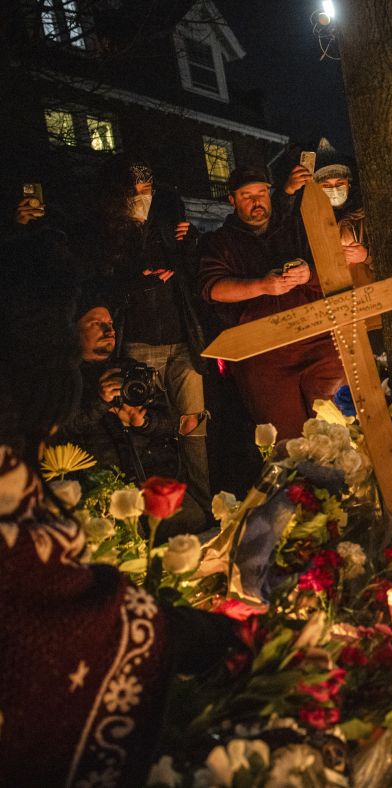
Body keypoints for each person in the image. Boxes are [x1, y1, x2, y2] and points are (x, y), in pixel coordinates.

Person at [0, 254, 239, 786]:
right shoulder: (30, 443)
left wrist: (140, 417)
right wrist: (194, 636)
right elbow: (61, 606)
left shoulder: (29, 446)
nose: (108, 335)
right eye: (92, 326)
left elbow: (157, 429)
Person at [93, 158, 211, 513]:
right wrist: (136, 281)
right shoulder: (107, 234)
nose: (143, 197)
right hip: (139, 343)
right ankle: (160, 516)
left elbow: (190, 274)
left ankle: (202, 508)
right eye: (135, 192)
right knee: (146, 428)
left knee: (194, 428)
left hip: (181, 340)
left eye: (147, 190)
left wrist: (189, 245)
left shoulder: (166, 221)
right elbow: (103, 287)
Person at [198, 164, 344, 440]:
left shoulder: (296, 228)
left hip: (318, 342)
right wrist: (262, 286)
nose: (256, 202)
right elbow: (212, 288)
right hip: (263, 357)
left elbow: (332, 264)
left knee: (342, 429)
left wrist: (308, 273)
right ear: (232, 200)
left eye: (261, 193)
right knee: (289, 443)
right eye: (246, 196)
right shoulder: (219, 242)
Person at [54, 290, 208, 537]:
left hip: (151, 481)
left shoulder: (131, 370)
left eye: (111, 324)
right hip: (103, 489)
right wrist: (100, 401)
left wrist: (143, 421)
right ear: (72, 330)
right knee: (126, 540)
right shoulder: (64, 381)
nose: (109, 330)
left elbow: (170, 424)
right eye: (97, 324)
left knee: (193, 521)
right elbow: (61, 430)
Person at [311, 138, 373, 290]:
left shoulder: (367, 213)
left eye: (339, 183)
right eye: (326, 185)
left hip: (370, 290)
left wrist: (366, 255)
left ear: (348, 183)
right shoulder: (312, 218)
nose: (334, 189)